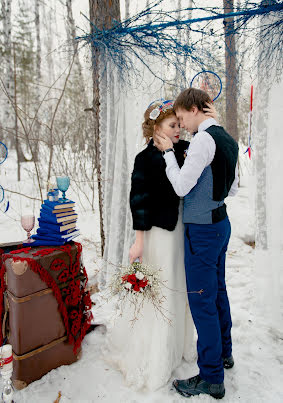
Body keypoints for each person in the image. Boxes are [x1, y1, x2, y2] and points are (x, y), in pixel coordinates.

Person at [103, 99, 217, 391]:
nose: (178, 130)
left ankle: (180, 345)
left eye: (179, 125)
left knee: (180, 285)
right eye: (171, 125)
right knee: (162, 288)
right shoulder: (144, 159)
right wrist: (139, 241)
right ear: (156, 128)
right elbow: (137, 201)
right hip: (158, 233)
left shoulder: (183, 151)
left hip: (182, 230)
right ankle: (157, 353)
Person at [154, 87, 239, 399]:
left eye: (180, 118)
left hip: (203, 231)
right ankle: (224, 354)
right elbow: (233, 190)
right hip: (221, 224)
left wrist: (166, 154)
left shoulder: (203, 139)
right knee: (218, 293)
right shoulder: (226, 138)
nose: (182, 125)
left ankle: (212, 377)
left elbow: (180, 186)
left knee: (202, 301)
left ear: (192, 109)